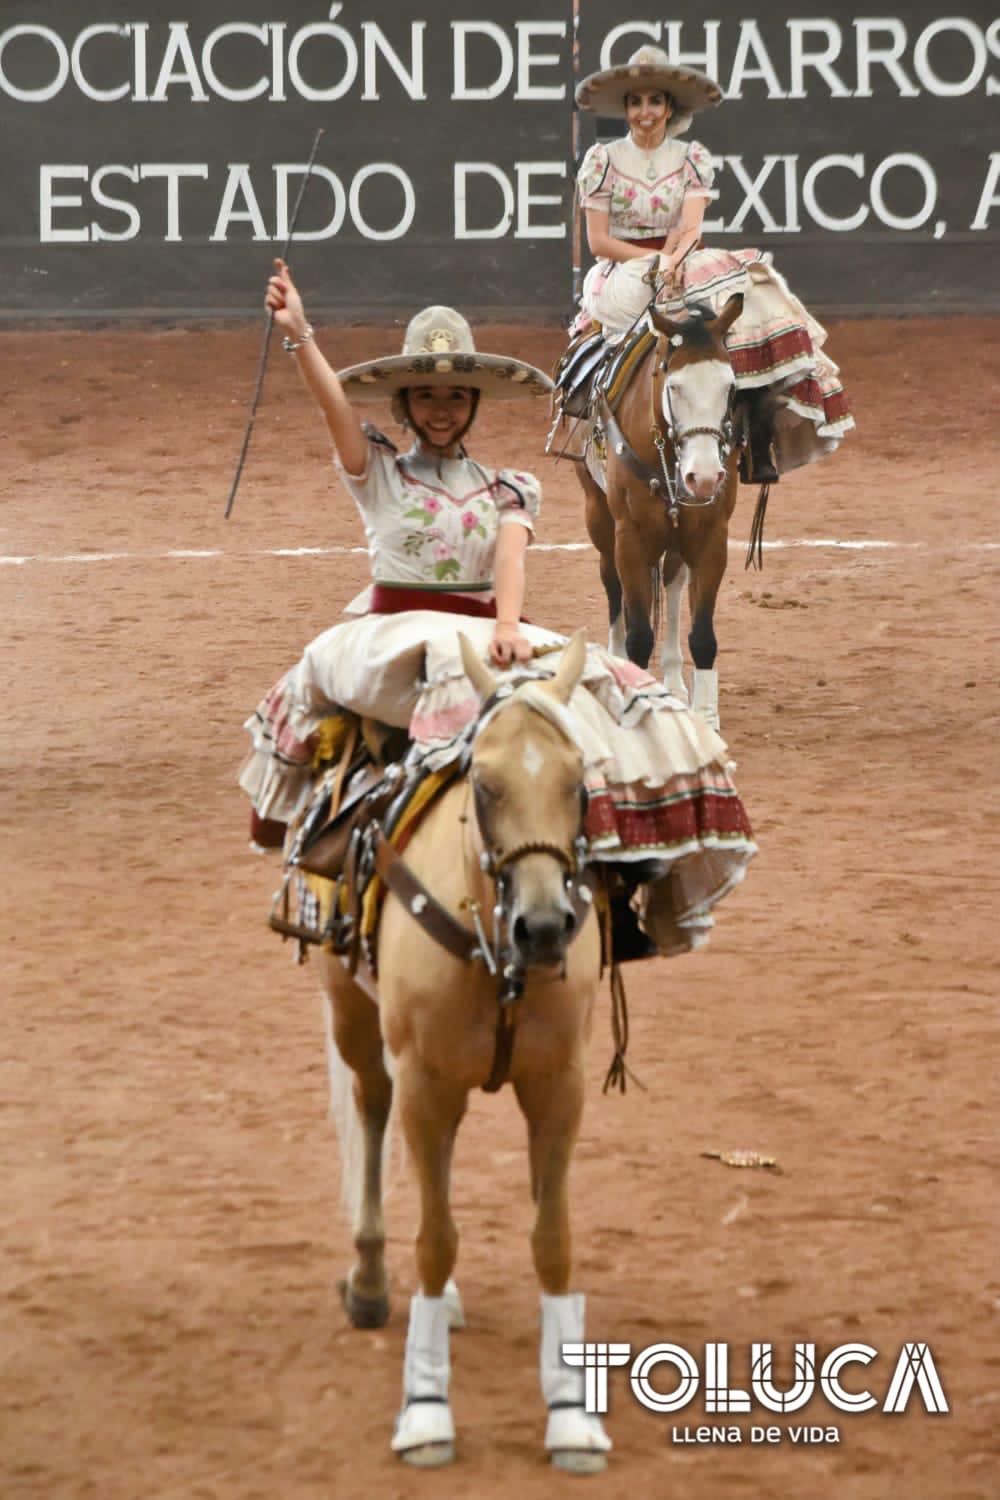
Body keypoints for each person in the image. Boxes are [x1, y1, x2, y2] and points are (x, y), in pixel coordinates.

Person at [238, 260, 757, 954]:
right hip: (396, 634)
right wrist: (300, 335)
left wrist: (508, 626)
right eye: (426, 395)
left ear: (475, 403)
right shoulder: (377, 471)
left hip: (490, 634)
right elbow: (334, 405)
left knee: (625, 700)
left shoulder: (507, 487)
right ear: (403, 404)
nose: (443, 408)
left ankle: (629, 882)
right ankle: (341, 878)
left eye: (457, 395)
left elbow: (509, 559)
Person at [573, 45, 855, 481]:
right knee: (672, 291)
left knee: (745, 285)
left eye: (654, 100)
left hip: (680, 260)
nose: (644, 111)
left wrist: (673, 260)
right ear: (625, 108)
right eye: (635, 101)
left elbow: (690, 230)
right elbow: (598, 242)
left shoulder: (692, 158)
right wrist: (656, 260)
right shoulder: (602, 160)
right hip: (621, 269)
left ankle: (757, 423)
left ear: (670, 107)